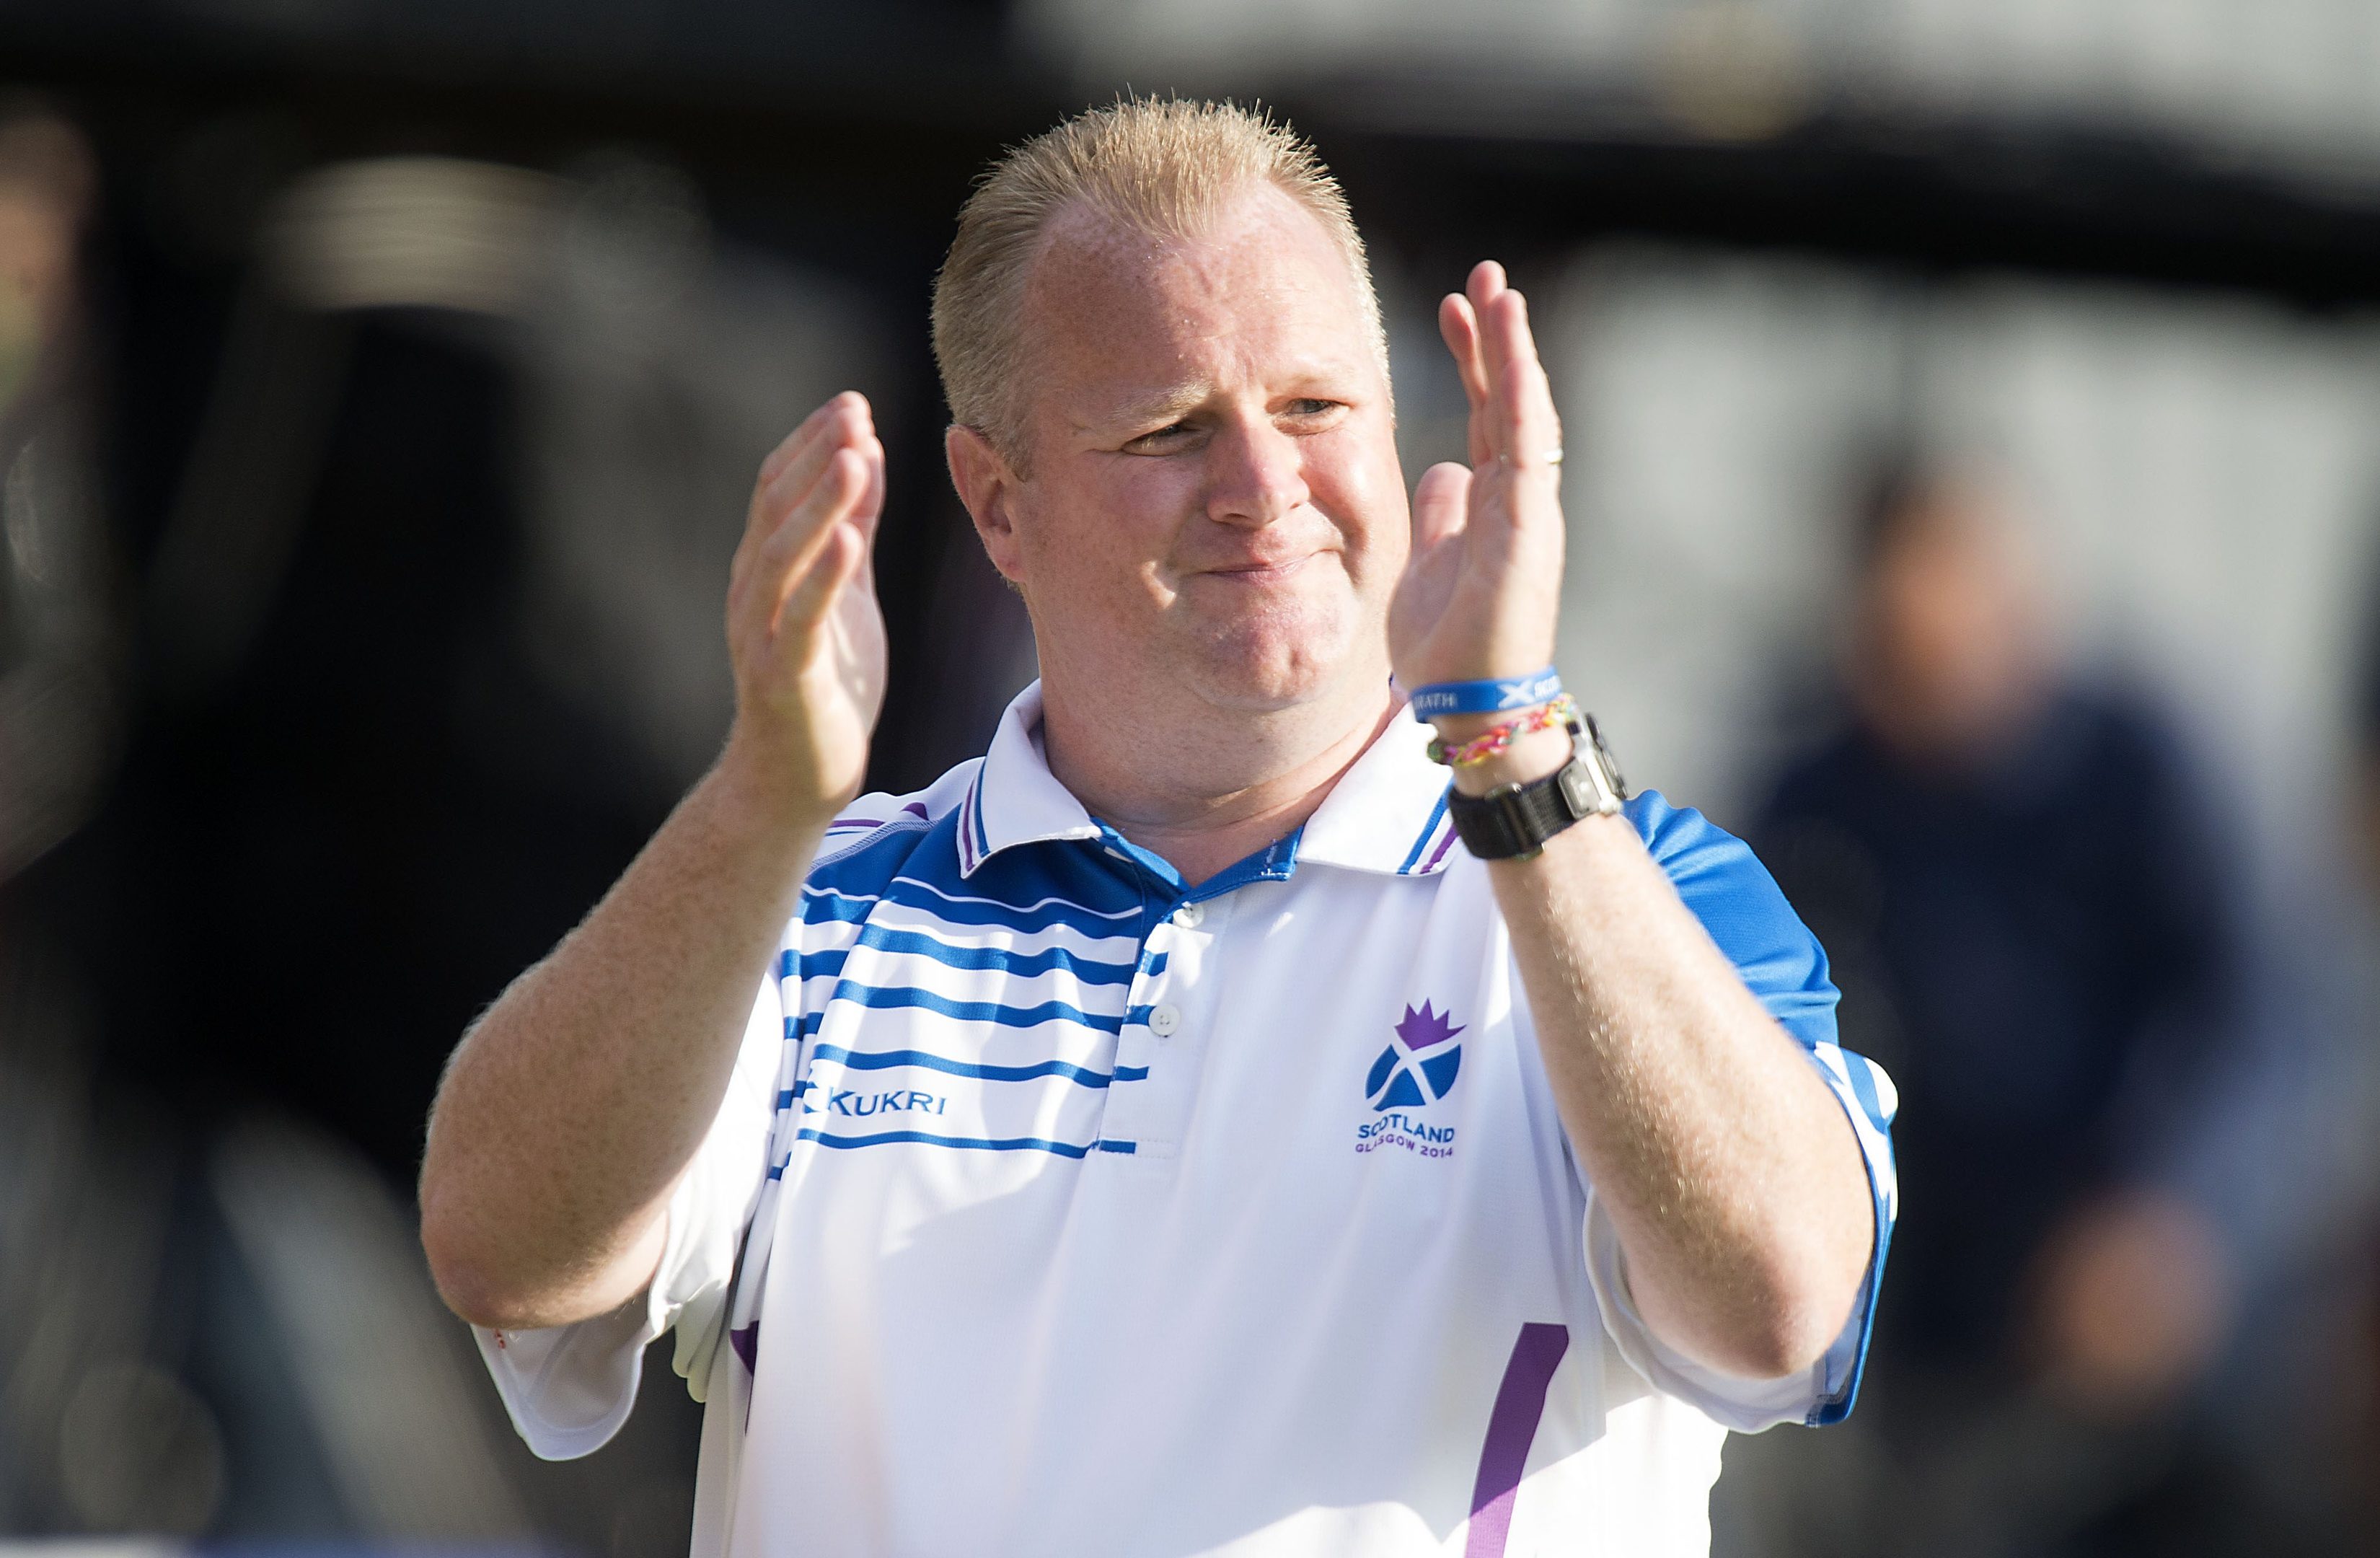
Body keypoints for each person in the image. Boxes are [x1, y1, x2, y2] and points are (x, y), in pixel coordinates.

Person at [418, 100, 1895, 1557]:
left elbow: (1785, 1312)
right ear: (1000, 507)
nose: (1263, 488)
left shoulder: (1641, 889)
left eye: (1316, 408)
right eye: (1170, 427)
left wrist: (1511, 746)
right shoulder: (812, 907)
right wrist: (760, 799)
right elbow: (499, 1249)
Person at [1743, 461, 2244, 1555]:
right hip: (1896, 1324)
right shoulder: (1812, 801)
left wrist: (2176, 1209)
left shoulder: (2139, 769)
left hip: (2120, 1313)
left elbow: (2247, 1016)